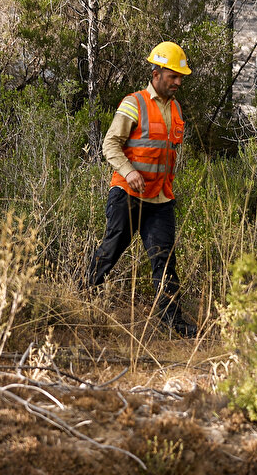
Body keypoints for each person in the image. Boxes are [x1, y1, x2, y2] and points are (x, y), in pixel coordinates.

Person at [86, 41, 196, 337]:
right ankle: (81, 296)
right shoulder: (133, 102)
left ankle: (172, 321)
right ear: (156, 72)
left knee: (165, 260)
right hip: (127, 194)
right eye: (173, 76)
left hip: (160, 200)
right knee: (111, 251)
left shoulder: (176, 108)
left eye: (180, 77)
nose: (178, 82)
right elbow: (110, 145)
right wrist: (129, 171)